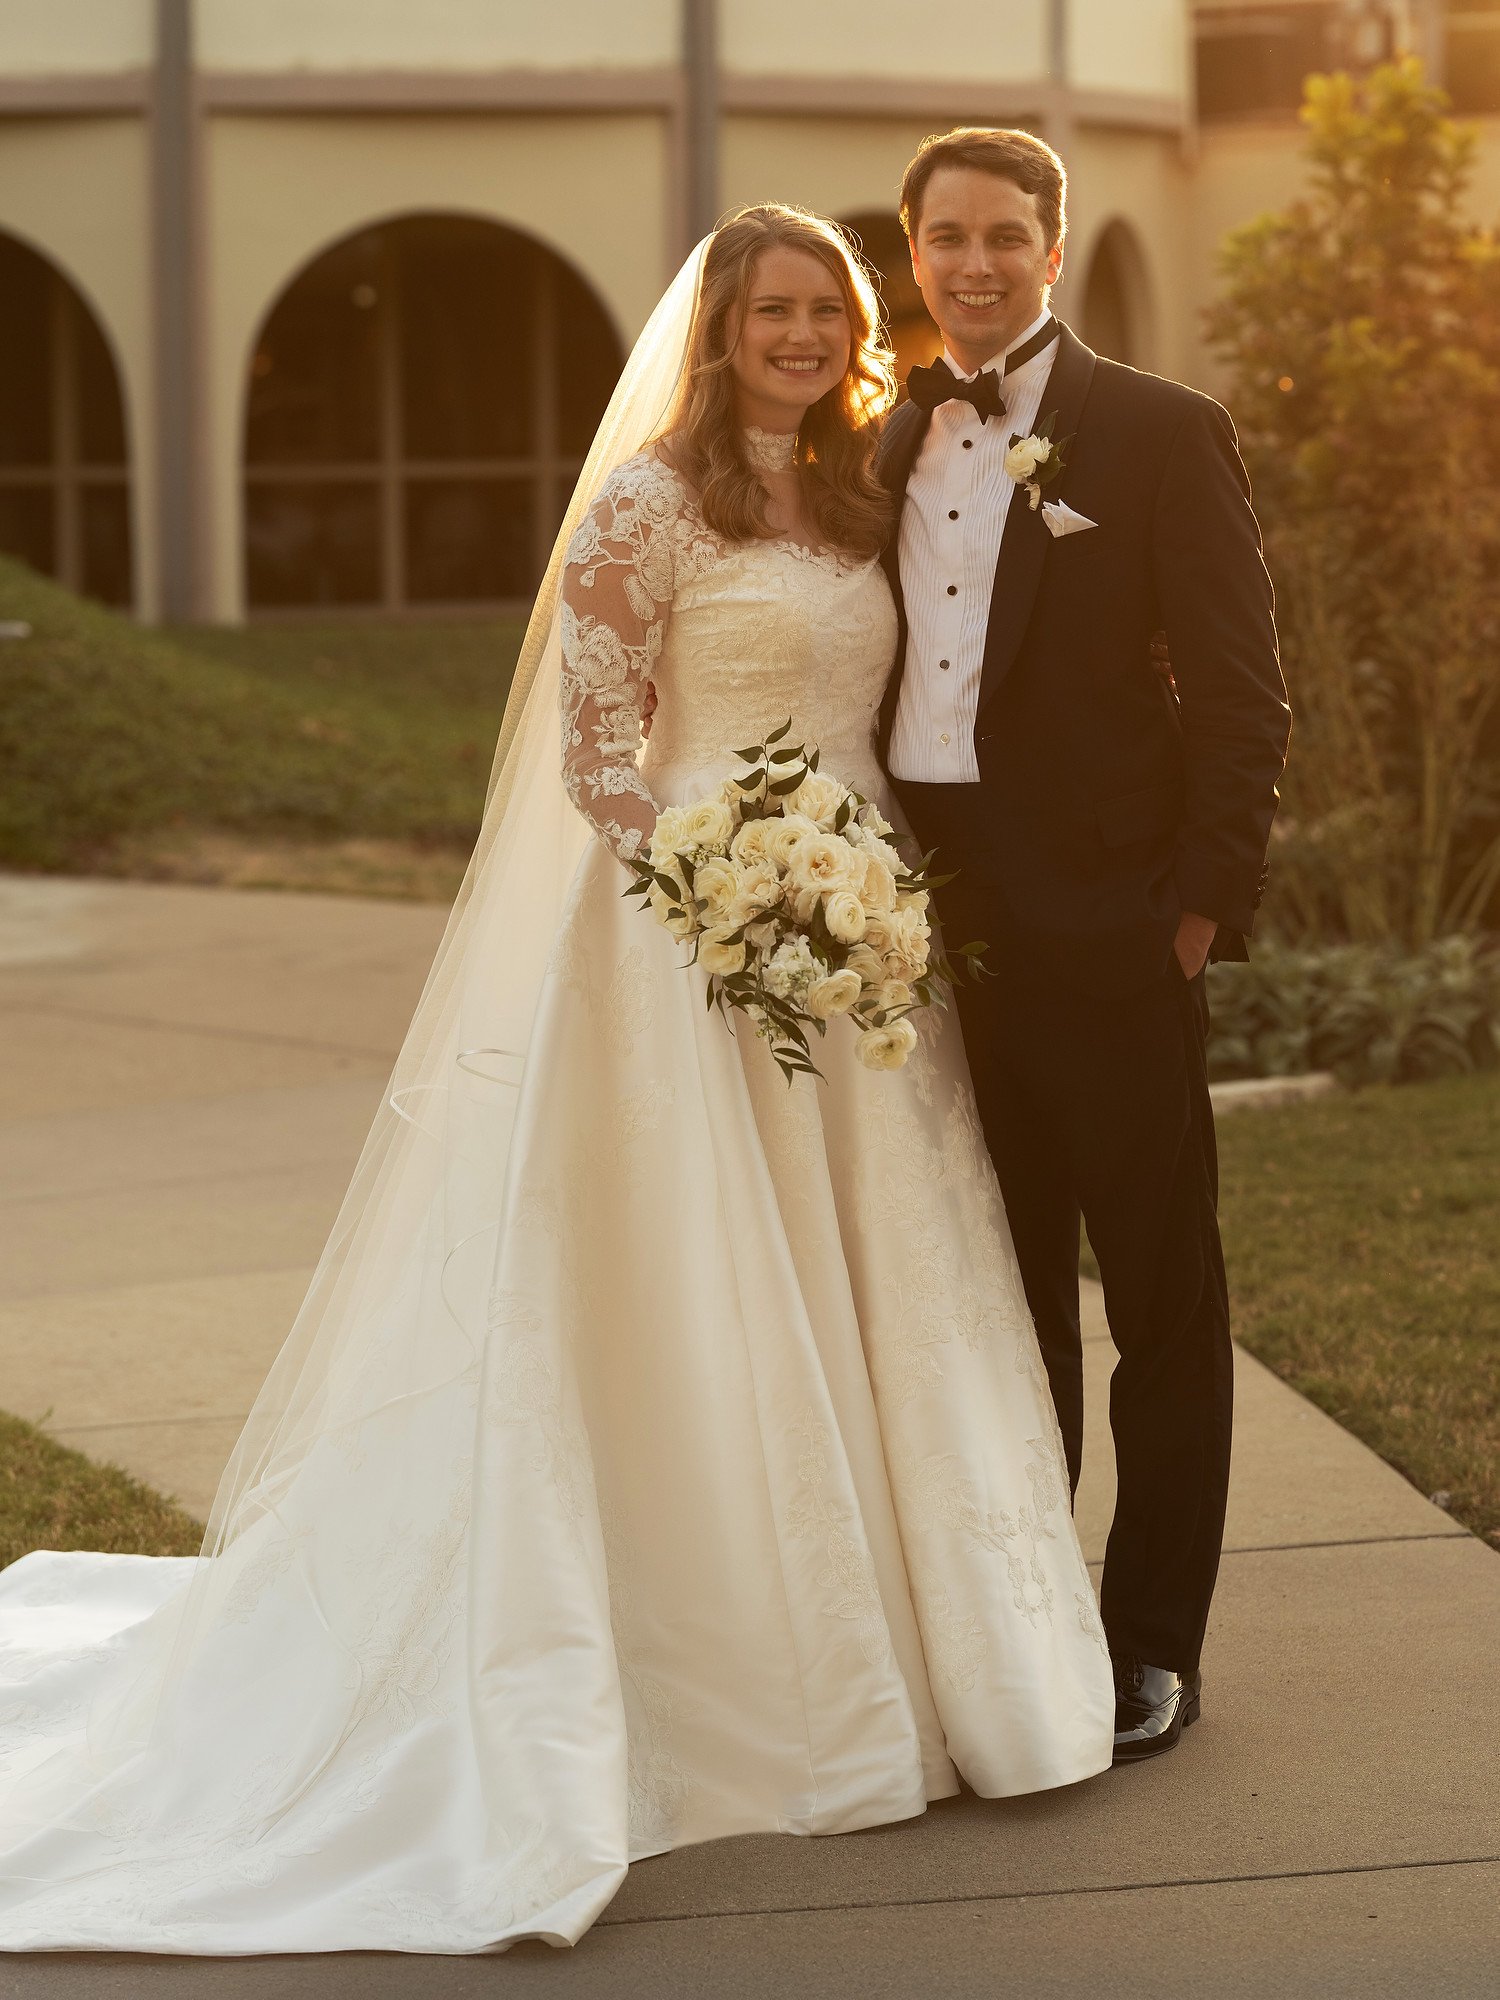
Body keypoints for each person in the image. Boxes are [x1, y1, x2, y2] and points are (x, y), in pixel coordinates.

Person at [0, 205, 1114, 1957]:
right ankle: (765, 1670)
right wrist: (719, 880)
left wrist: (844, 889)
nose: (805, 335)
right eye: (773, 311)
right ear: (721, 329)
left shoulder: (860, 494)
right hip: (695, 943)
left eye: (828, 310)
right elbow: (594, 754)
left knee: (902, 1276)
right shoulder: (648, 505)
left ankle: (967, 1657)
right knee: (701, 1290)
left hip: (867, 947)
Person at [877, 129, 1291, 1762]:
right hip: (939, 947)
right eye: (944, 238)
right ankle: (1025, 1625)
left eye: (1003, 235)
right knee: (1004, 1302)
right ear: (912, 253)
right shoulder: (888, 436)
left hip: (1122, 943)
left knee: (1163, 1307)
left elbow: (1245, 695)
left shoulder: (1161, 430)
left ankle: (1153, 1644)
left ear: (1053, 250)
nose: (973, 264)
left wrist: (1191, 915)